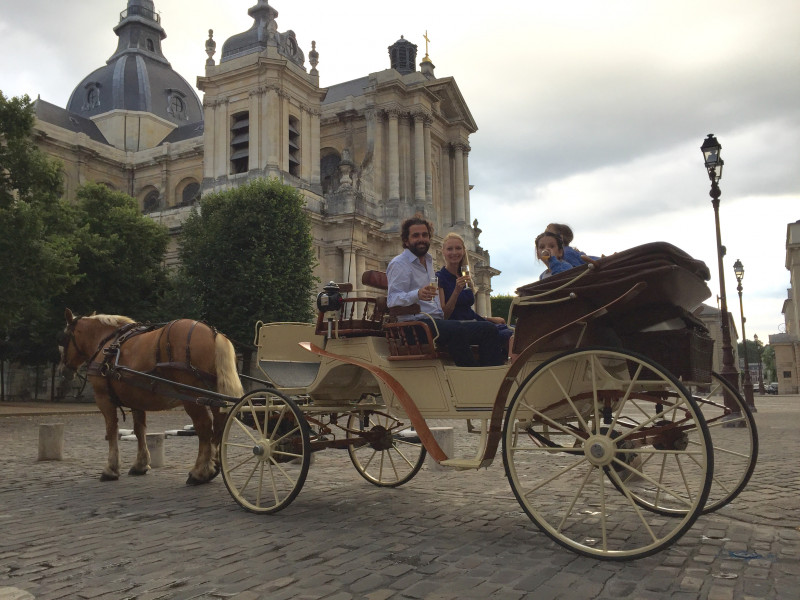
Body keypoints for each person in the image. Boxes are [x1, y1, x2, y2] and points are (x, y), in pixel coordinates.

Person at [387, 216, 506, 367]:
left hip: (435, 323)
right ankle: (471, 373)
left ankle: (490, 372)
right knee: (456, 330)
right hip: (415, 326)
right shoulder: (399, 264)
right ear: (406, 240)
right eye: (416, 235)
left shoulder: (428, 261)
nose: (421, 239)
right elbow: (392, 300)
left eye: (425, 235)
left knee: (488, 330)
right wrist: (417, 294)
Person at [435, 232, 513, 350]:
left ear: (463, 251)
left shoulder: (464, 276)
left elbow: (467, 311)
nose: (454, 252)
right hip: (457, 327)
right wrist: (456, 291)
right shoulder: (439, 277)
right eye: (450, 249)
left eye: (458, 248)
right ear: (443, 252)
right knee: (506, 335)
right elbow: (444, 315)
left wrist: (488, 319)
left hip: (474, 322)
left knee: (514, 329)